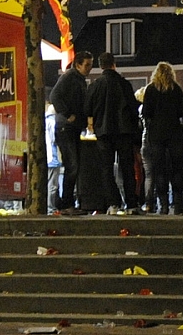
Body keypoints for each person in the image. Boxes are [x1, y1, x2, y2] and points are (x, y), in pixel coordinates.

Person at [84, 52, 143, 214]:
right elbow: (133, 108)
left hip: (103, 132)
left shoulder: (95, 85)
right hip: (124, 132)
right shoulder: (124, 84)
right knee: (127, 168)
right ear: (114, 64)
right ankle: (131, 203)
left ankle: (113, 203)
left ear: (101, 65)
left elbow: (87, 109)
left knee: (106, 169)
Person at [141, 62, 183, 214]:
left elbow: (146, 112)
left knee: (159, 170)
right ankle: (177, 205)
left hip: (156, 134)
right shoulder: (176, 89)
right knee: (177, 169)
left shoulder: (150, 89)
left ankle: (162, 205)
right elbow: (182, 111)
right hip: (174, 134)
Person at [49, 51, 94, 211]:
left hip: (73, 128)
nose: (90, 68)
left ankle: (67, 202)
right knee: (72, 165)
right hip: (65, 128)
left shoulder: (80, 80)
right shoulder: (69, 77)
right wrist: (68, 115)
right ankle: (66, 203)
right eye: (87, 65)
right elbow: (54, 95)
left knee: (73, 166)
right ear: (78, 64)